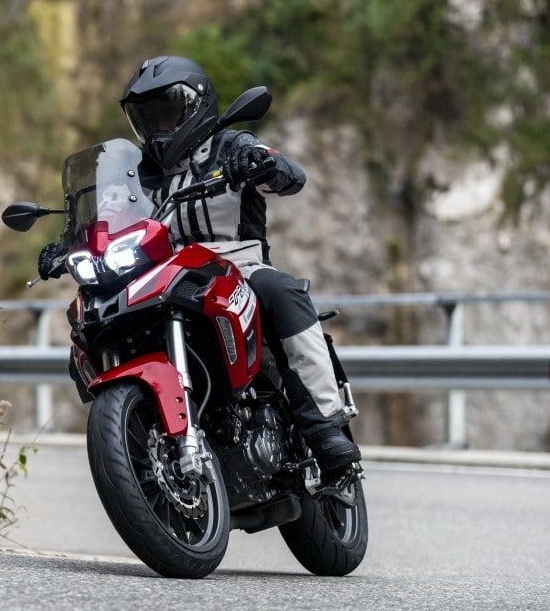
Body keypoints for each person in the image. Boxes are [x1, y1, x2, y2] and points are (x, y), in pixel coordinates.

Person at [38, 55, 361, 475]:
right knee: (88, 331)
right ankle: (136, 441)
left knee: (282, 293)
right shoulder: (138, 173)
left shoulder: (232, 145)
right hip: (162, 270)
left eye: (167, 111)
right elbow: (110, 214)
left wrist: (263, 164)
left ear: (196, 105)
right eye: (148, 117)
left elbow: (289, 176)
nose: (158, 125)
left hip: (236, 264)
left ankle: (324, 427)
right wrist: (68, 245)